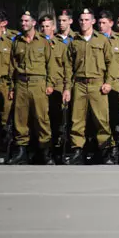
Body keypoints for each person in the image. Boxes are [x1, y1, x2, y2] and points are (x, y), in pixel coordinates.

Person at [63, 8, 116, 165]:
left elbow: (111, 63)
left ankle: (105, 151)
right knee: (76, 120)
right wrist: (67, 87)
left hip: (97, 84)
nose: (83, 22)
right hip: (79, 84)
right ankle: (77, 151)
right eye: (81, 20)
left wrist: (108, 82)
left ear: (93, 21)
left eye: (87, 20)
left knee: (102, 120)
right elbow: (68, 66)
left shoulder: (102, 40)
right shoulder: (74, 41)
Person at [7, 10, 57, 165]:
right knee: (20, 119)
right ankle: (21, 152)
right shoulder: (17, 41)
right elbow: (12, 66)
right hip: (21, 83)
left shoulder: (43, 41)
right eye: (22, 21)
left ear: (34, 23)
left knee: (42, 118)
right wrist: (11, 87)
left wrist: (50, 84)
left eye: (26, 21)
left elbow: (51, 64)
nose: (23, 24)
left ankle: (45, 153)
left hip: (38, 83)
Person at [98, 10, 119, 163]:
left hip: (115, 86)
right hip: (98, 86)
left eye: (104, 23)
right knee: (100, 120)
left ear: (111, 23)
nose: (101, 26)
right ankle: (104, 150)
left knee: (115, 119)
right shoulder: (95, 40)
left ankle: (117, 149)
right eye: (99, 23)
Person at [39, 14, 69, 164]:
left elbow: (67, 69)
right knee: (40, 120)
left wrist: (66, 88)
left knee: (56, 121)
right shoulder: (36, 43)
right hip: (39, 86)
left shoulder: (61, 45)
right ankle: (42, 151)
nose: (45, 29)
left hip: (56, 87)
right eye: (43, 26)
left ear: (54, 27)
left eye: (48, 26)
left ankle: (57, 151)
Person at [0, 10, 15, 150]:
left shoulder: (12, 40)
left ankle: (6, 148)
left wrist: (12, 87)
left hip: (5, 84)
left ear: (3, 23)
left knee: (6, 118)